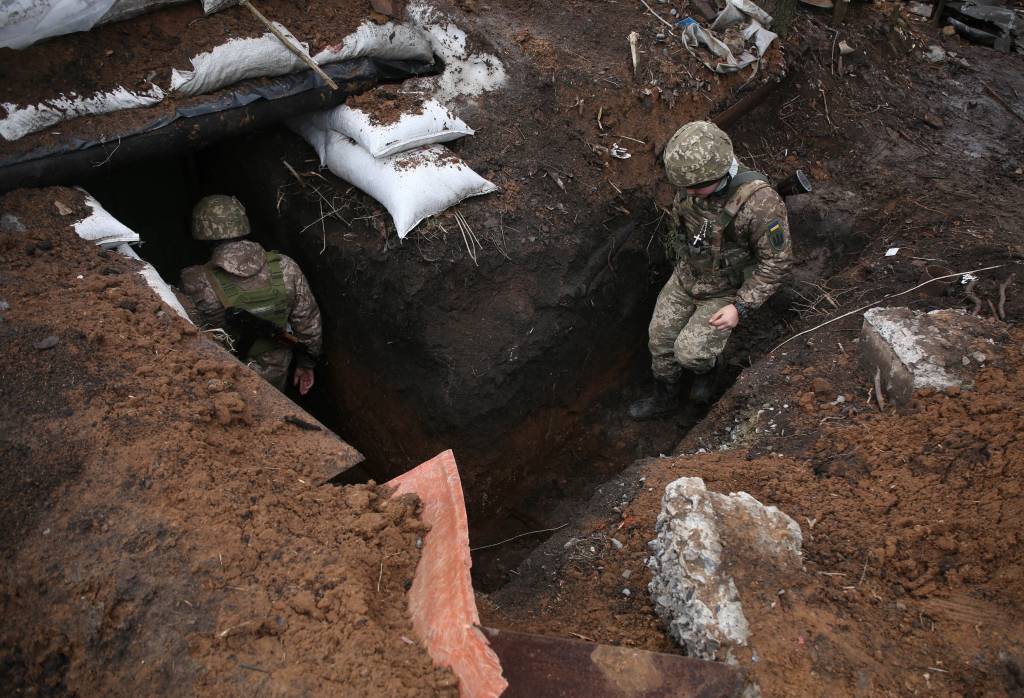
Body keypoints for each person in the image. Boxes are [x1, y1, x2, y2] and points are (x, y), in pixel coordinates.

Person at [629, 121, 793, 420]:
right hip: (687, 276)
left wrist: (739, 308)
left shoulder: (760, 204)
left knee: (690, 353)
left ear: (718, 175)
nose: (688, 192)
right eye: (684, 187)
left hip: (724, 290)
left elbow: (777, 263)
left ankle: (707, 372)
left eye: (695, 187)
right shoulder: (691, 183)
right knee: (660, 341)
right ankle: (665, 395)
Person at [180, 195, 322, 395]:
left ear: (201, 231)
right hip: (278, 369)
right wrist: (306, 364)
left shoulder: (195, 280)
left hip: (227, 377)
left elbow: (190, 335)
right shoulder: (285, 267)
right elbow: (308, 322)